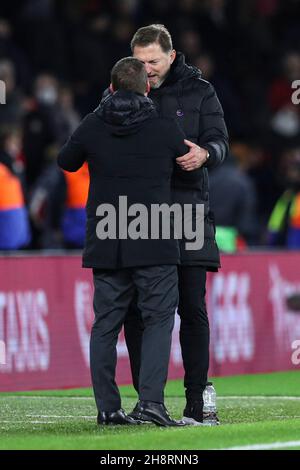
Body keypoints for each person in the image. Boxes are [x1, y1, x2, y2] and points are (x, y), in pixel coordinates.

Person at [57, 57, 192, 427]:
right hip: (153, 237)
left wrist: (97, 121)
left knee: (105, 324)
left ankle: (108, 409)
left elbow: (66, 161)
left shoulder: (93, 124)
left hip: (107, 238)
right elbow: (187, 160)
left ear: (112, 88)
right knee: (159, 319)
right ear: (147, 88)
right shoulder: (164, 126)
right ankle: (151, 402)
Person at [124, 24, 229, 426]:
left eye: (152, 61)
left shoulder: (201, 92)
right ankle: (147, 402)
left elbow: (220, 140)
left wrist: (206, 154)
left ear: (171, 56)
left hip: (187, 211)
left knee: (191, 306)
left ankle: (199, 398)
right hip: (138, 216)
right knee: (138, 309)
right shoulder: (124, 90)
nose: (146, 69)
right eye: (140, 61)